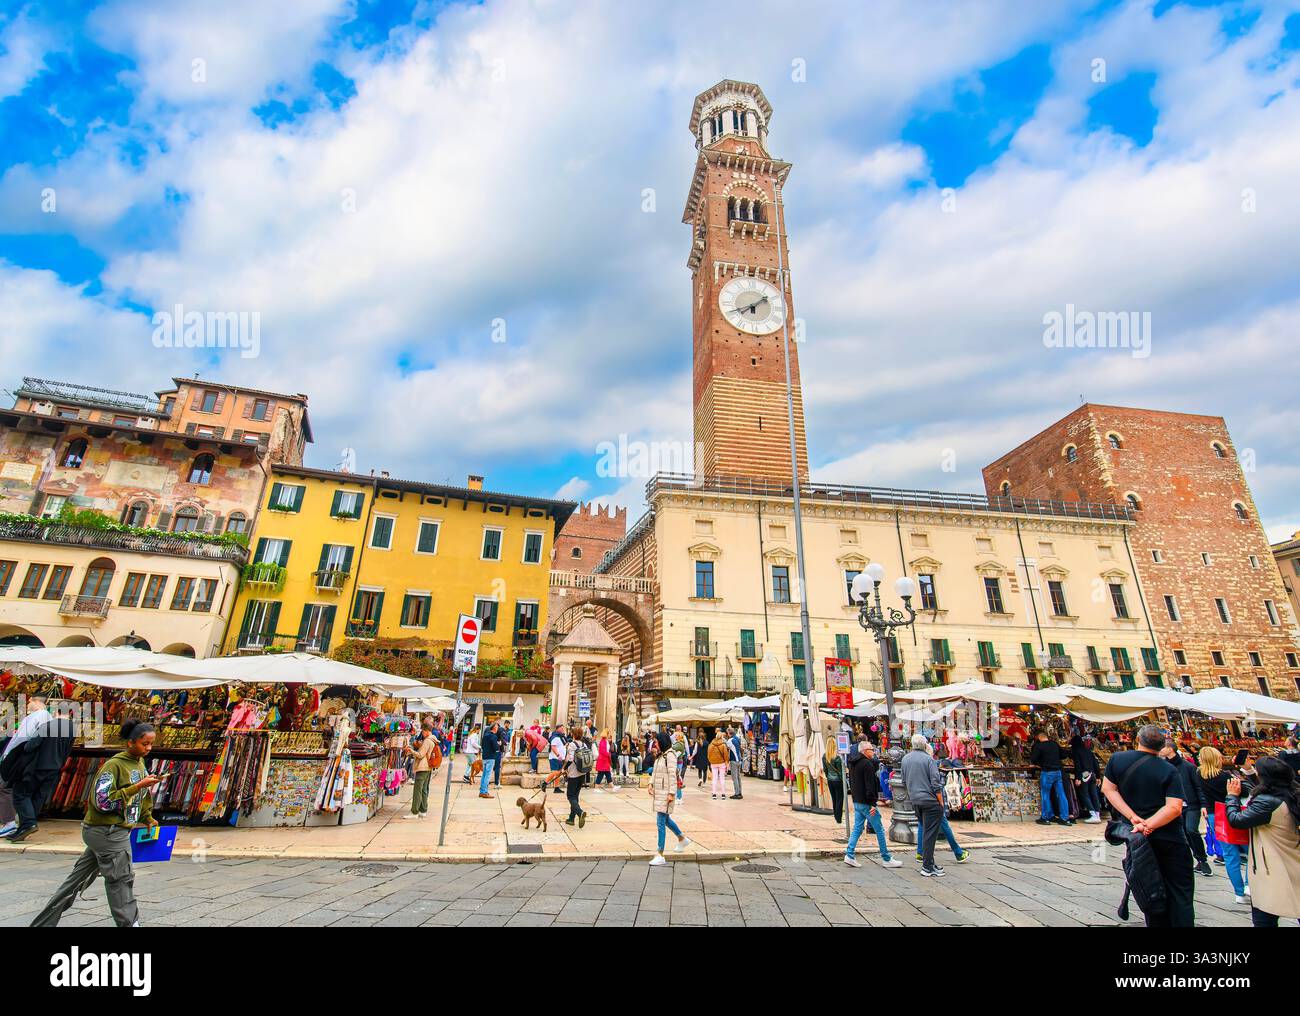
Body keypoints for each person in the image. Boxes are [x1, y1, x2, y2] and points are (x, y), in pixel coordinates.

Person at [30, 718, 163, 927]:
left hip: (107, 832)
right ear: (130, 742)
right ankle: (130, 924)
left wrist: (147, 817)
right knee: (121, 879)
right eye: (144, 743)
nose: (148, 748)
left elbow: (142, 796)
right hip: (107, 831)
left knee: (74, 882)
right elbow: (102, 801)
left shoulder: (138, 763)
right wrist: (137, 786)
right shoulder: (113, 765)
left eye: (151, 744)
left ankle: (42, 924)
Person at [1102, 724, 1193, 928]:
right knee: (1181, 893)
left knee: (1150, 889)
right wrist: (1149, 823)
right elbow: (1175, 808)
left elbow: (1108, 789)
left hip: (1138, 839)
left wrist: (1134, 818)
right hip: (1169, 837)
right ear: (1162, 747)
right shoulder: (1168, 770)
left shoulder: (1118, 759)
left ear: (1137, 740)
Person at [1225, 756, 1300, 928]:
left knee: (1264, 919)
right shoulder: (1292, 793)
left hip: (1272, 867)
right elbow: (1266, 788)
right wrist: (1250, 771)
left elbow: (1236, 820)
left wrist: (1232, 797)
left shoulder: (1267, 802)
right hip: (1293, 861)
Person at [2, 701, 75, 843]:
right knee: (38, 796)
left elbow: (30, 746)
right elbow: (67, 751)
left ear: (56, 711)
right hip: (55, 767)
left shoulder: (48, 725)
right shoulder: (72, 728)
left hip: (38, 766)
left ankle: (28, 823)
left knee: (21, 794)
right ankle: (27, 825)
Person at [1195, 746, 1249, 902]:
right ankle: (1248, 884)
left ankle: (1239, 893)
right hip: (1232, 812)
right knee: (1250, 851)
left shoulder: (1199, 774)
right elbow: (1244, 791)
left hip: (1214, 815)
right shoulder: (1224, 776)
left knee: (1230, 854)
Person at [843, 736, 901, 869]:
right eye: (871, 749)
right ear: (864, 751)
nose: (874, 751)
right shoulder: (867, 764)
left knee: (857, 828)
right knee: (879, 829)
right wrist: (873, 804)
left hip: (858, 800)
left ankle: (850, 854)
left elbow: (853, 783)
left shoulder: (853, 763)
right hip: (866, 803)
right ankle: (886, 857)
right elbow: (870, 786)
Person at [1161, 741, 1213, 876]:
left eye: (1163, 747)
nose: (1160, 750)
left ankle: (1203, 859)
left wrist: (1203, 805)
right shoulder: (1164, 767)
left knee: (1191, 830)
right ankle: (1191, 860)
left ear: (1170, 749)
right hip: (1173, 805)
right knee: (1182, 834)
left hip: (1191, 805)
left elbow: (1198, 787)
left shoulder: (1188, 767)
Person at [901, 734, 946, 877]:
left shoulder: (905, 759)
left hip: (916, 801)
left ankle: (930, 863)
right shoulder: (928, 759)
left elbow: (903, 781)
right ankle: (927, 867)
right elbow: (935, 783)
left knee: (927, 832)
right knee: (930, 834)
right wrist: (941, 802)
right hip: (930, 801)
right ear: (925, 745)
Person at [648, 731, 690, 865]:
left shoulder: (670, 756)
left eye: (657, 741)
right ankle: (682, 838)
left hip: (666, 793)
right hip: (660, 792)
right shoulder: (662, 756)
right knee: (665, 819)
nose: (655, 744)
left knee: (660, 822)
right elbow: (655, 772)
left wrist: (672, 793)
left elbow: (672, 775)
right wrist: (651, 783)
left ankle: (660, 853)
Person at [1030, 730, 1072, 826]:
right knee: (1061, 794)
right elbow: (1064, 755)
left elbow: (1033, 759)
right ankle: (1064, 818)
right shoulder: (1054, 744)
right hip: (1058, 772)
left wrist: (1041, 764)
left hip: (1047, 772)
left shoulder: (1039, 746)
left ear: (1039, 738)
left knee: (1045, 794)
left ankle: (1045, 817)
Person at [403, 719, 439, 819]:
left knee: (417, 790)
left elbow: (420, 755)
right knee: (424, 789)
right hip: (428, 767)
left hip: (423, 767)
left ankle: (414, 812)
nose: (422, 733)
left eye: (422, 731)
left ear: (426, 731)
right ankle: (423, 810)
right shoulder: (434, 739)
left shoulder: (427, 741)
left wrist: (411, 750)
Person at [1070, 732, 1104, 823]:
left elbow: (1078, 765)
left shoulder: (1076, 751)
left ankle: (1092, 815)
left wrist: (1078, 778)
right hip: (1092, 774)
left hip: (1084, 774)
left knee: (1084, 794)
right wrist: (1098, 776)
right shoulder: (1088, 751)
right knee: (1094, 794)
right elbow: (1096, 764)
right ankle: (1097, 815)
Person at [564, 732, 588, 827]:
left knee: (570, 796)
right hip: (582, 773)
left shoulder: (572, 745)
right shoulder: (584, 744)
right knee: (575, 796)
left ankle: (580, 812)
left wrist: (564, 768)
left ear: (574, 735)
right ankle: (571, 818)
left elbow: (570, 760)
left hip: (573, 774)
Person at [824, 736, 845, 824]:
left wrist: (828, 777)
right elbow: (840, 771)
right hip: (838, 780)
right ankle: (838, 818)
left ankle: (836, 816)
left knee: (834, 799)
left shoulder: (824, 756)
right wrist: (843, 780)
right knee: (840, 799)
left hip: (830, 780)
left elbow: (825, 769)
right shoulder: (837, 757)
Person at [478, 722, 500, 799]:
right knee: (487, 775)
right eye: (497, 727)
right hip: (491, 757)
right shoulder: (494, 736)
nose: (497, 729)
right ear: (494, 728)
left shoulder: (485, 736)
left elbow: (482, 746)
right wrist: (498, 744)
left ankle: (481, 791)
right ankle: (484, 792)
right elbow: (496, 748)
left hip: (484, 757)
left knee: (484, 775)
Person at [549, 723, 567, 794]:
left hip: (560, 758)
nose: (563, 729)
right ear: (557, 729)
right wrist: (558, 755)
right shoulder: (555, 737)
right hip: (555, 757)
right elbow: (553, 747)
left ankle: (556, 788)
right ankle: (544, 783)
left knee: (558, 774)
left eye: (563, 728)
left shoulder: (561, 737)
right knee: (555, 772)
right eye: (561, 728)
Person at [727, 726, 744, 800]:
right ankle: (740, 792)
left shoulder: (730, 740)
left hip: (734, 760)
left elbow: (727, 746)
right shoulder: (737, 738)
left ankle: (737, 794)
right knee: (738, 777)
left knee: (735, 778)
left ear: (729, 733)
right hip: (739, 760)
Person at [495, 719, 512, 787]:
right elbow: (501, 738)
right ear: (504, 724)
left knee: (503, 756)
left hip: (506, 745)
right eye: (506, 723)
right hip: (501, 746)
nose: (507, 725)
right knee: (498, 763)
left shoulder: (509, 731)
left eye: (508, 724)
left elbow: (509, 738)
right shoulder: (501, 730)